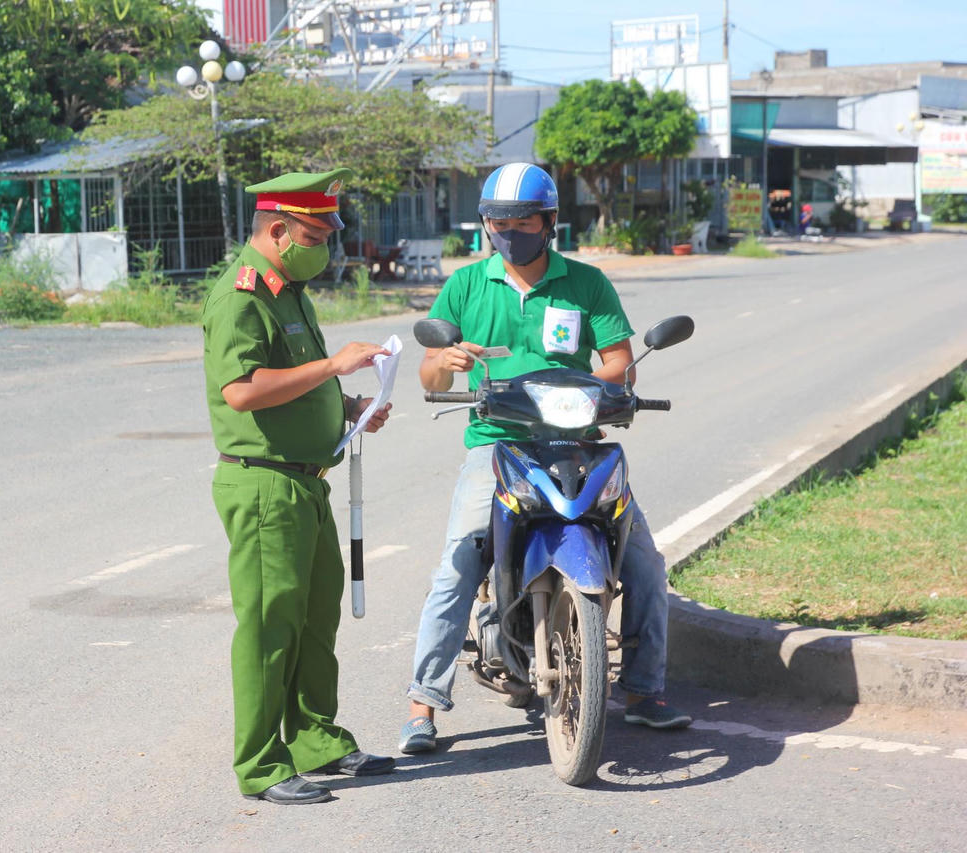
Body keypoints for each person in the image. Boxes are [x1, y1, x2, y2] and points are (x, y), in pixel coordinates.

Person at [397, 162, 691, 755]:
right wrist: (447, 362)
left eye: (521, 220)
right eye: (496, 222)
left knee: (645, 563)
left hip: (578, 440)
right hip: (497, 444)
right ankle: (423, 705)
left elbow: (618, 361)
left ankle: (644, 690)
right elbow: (429, 370)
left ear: (549, 222)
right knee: (457, 563)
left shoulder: (586, 283)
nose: (508, 231)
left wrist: (600, 387)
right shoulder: (466, 286)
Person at [202, 167, 396, 805]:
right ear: (278, 230)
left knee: (316, 620)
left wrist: (348, 403)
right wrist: (334, 363)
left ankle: (315, 738)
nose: (327, 246)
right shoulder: (242, 295)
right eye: (316, 233)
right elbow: (242, 391)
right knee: (268, 626)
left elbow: (300, 378)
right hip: (265, 487)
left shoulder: (289, 290)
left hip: (307, 483)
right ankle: (260, 764)